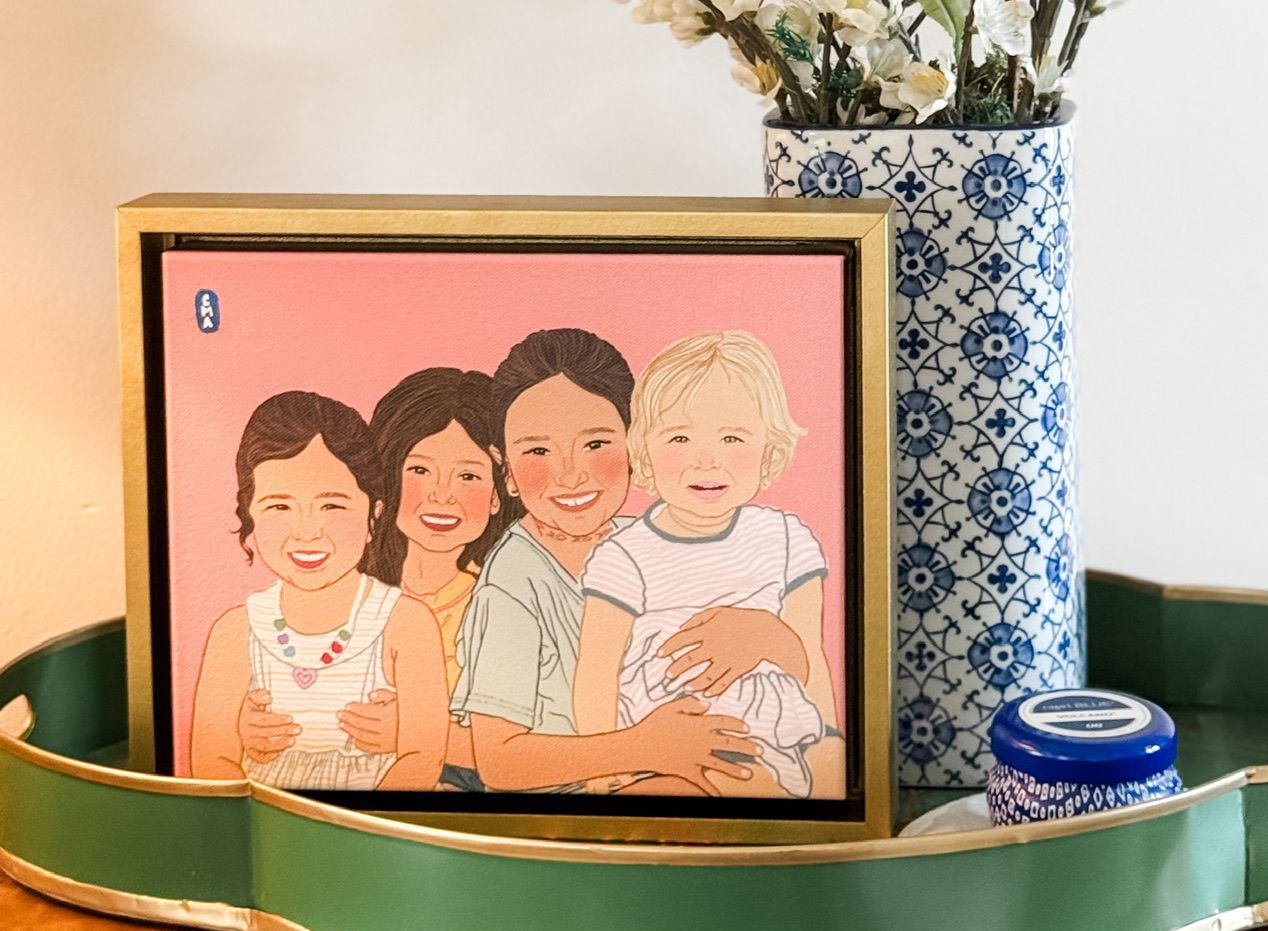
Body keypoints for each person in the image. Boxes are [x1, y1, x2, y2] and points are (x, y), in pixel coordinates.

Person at [455, 327, 810, 794]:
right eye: (538, 450)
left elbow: (791, 678)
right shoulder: (514, 582)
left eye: (596, 444)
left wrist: (769, 636)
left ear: (636, 443)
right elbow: (501, 762)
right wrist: (642, 748)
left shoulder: (649, 538)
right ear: (507, 470)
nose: (570, 473)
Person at [572, 330, 844, 798]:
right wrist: (602, 769)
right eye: (679, 436)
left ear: (770, 452)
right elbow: (596, 673)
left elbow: (810, 660)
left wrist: (831, 747)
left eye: (731, 437)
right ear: (645, 453)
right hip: (657, 746)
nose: (705, 459)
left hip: (769, 743)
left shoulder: (785, 539)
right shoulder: (625, 557)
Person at [240, 368, 509, 790]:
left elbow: (535, 746)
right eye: (419, 470)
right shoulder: (337, 587)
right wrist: (247, 725)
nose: (442, 494)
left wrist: (423, 736)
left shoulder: (503, 606)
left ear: (497, 492)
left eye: (469, 475)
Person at [189, 390, 447, 790]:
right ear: (249, 512)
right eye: (279, 506)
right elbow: (211, 760)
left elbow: (423, 756)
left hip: (380, 827)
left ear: (373, 514)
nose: (307, 531)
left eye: (332, 506)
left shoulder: (405, 623)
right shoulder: (235, 630)